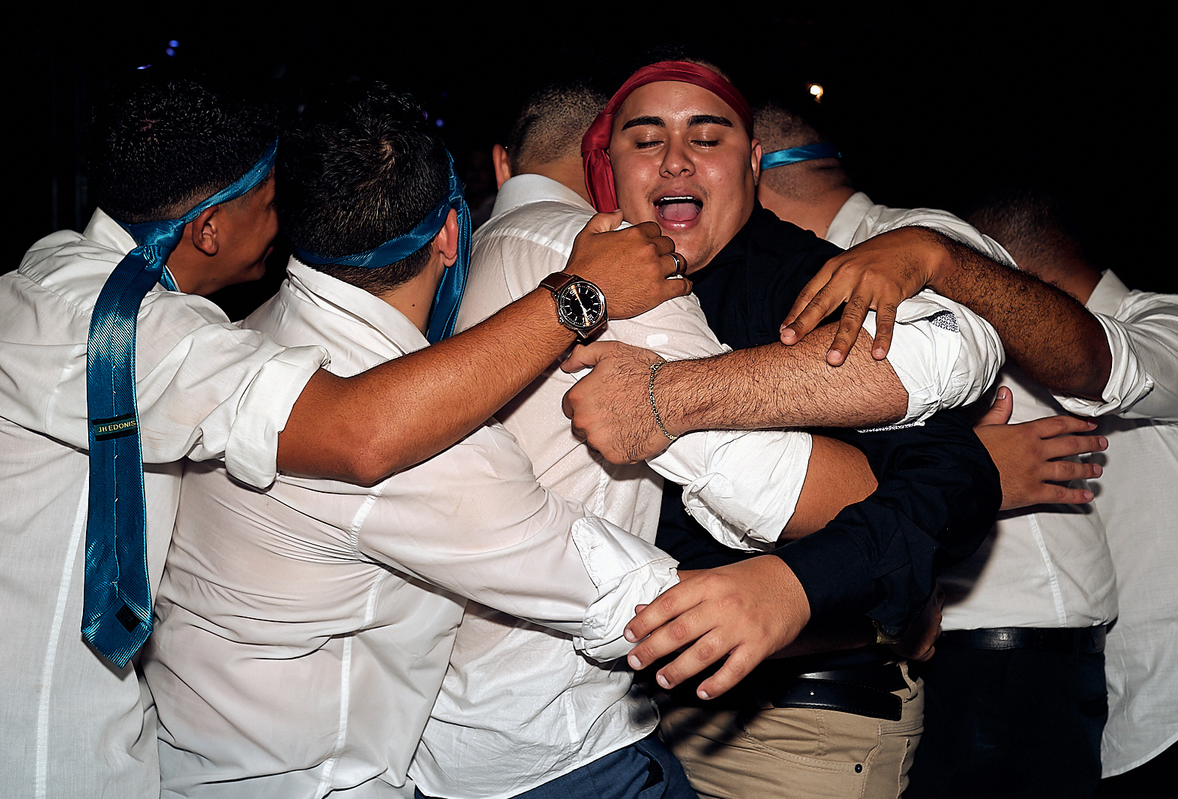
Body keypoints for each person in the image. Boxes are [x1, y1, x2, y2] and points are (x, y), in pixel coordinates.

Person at [0, 74, 685, 798]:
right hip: (46, 757)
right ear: (210, 227)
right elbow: (363, 434)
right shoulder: (122, 332)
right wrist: (579, 295)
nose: (278, 216)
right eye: (268, 196)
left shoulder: (56, 287)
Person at [459, 59, 1010, 798]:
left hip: (799, 725)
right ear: (607, 171)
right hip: (653, 716)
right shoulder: (598, 276)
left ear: (752, 164)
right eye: (645, 139)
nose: (676, 159)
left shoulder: (793, 279)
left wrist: (795, 587)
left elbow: (958, 475)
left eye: (706, 137)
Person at [756, 99, 1115, 797]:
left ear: (755, 175)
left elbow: (1052, 372)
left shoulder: (913, 243)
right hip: (969, 644)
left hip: (999, 652)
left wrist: (962, 468)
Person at [968, 189, 1178, 798]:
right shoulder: (995, 374)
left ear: (1010, 279)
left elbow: (1098, 368)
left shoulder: (1163, 325)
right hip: (1095, 710)